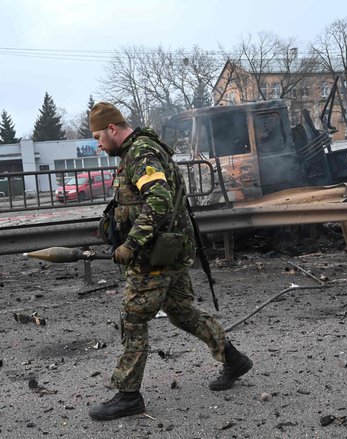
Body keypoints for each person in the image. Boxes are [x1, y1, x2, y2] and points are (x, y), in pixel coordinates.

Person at [87, 102, 253, 421]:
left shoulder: (140, 153)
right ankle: (233, 359)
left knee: (133, 317)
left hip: (154, 254)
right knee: (181, 311)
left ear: (112, 129)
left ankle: (128, 395)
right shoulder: (140, 150)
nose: (97, 143)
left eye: (98, 136)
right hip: (171, 249)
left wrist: (131, 244)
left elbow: (160, 200)